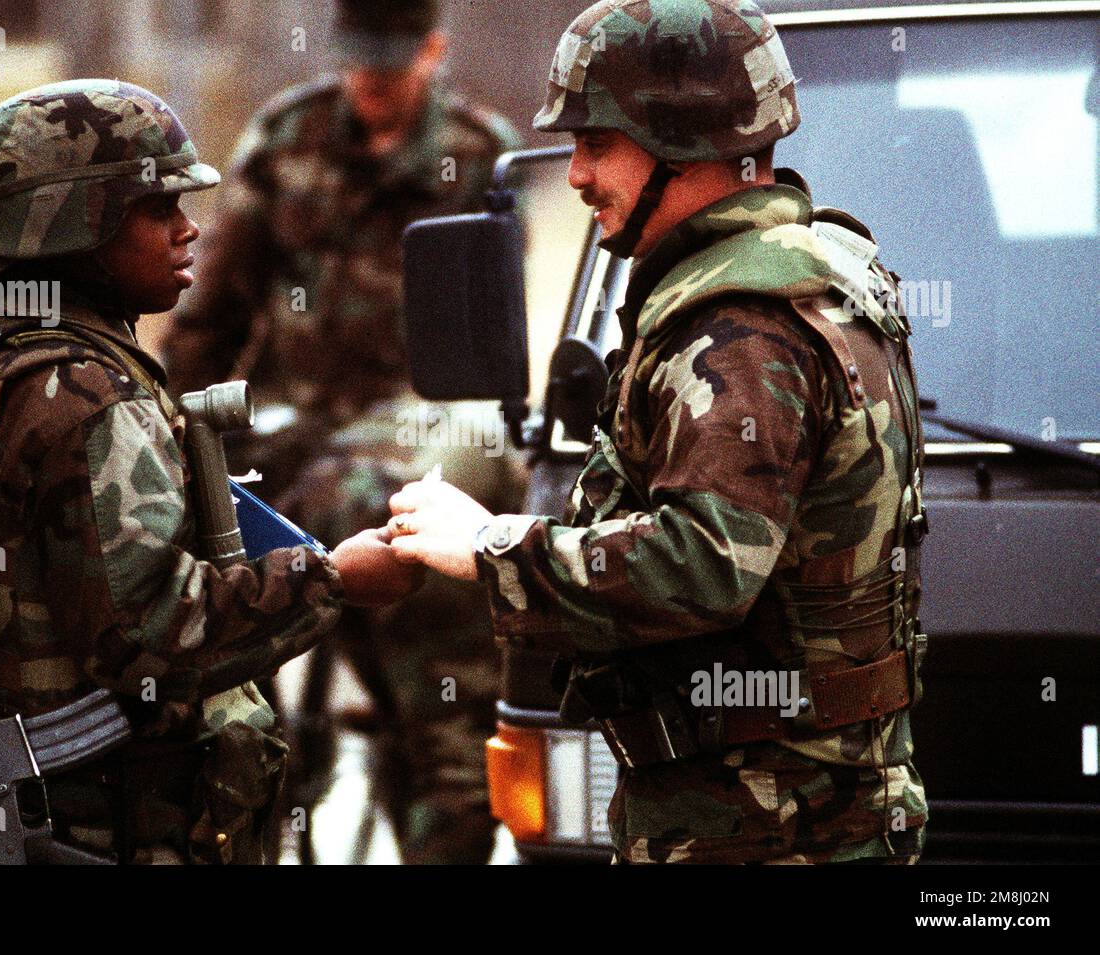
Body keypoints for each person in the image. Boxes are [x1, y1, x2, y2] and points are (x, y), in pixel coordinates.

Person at [385, 0, 930, 864]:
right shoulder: (811, 278)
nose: (575, 175)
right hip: (781, 815)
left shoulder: (742, 328)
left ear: (681, 143)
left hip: (761, 829)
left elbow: (706, 564)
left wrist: (493, 545)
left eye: (596, 144)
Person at [0, 78, 422, 866]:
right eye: (159, 210)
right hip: (106, 829)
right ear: (78, 225)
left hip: (63, 811)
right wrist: (333, 578)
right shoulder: (84, 394)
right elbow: (151, 636)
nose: (189, 231)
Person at [157, 0, 523, 863]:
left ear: (431, 51)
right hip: (290, 422)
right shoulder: (288, 140)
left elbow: (491, 334)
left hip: (419, 419)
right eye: (357, 62)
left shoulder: (475, 152)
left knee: (438, 699)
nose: (370, 84)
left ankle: (438, 793)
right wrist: (175, 434)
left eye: (391, 64)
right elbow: (212, 311)